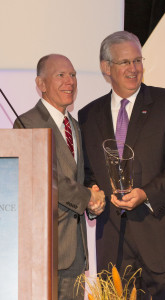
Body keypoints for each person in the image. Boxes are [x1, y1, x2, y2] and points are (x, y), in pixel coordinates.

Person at [78, 31, 165, 300]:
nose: (133, 69)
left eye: (137, 60)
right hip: (114, 248)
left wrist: (146, 193)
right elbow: (88, 174)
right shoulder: (88, 116)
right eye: (125, 62)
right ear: (106, 67)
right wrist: (93, 194)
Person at [13, 54, 105, 300]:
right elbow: (44, 176)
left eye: (73, 75)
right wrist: (87, 197)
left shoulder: (75, 125)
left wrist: (95, 202)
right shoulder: (26, 123)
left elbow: (78, 176)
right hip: (44, 251)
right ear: (41, 84)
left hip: (76, 251)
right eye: (61, 75)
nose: (70, 82)